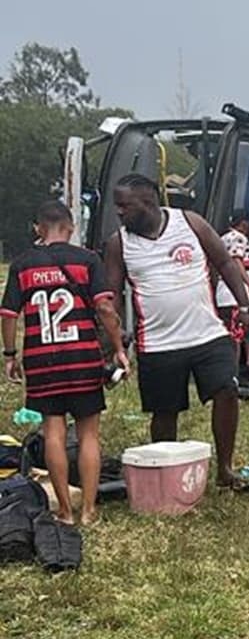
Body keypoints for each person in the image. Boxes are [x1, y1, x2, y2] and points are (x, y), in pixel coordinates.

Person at [103, 174, 249, 493]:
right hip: (158, 343)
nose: (118, 212)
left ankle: (225, 468)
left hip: (207, 333)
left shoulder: (190, 223)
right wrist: (112, 339)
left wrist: (244, 306)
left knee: (227, 391)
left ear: (147, 202)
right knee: (165, 412)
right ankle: (165, 471)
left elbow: (226, 263)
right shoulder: (119, 244)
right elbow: (113, 295)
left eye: (124, 206)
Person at [2, 201, 128, 525]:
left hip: (42, 362)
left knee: (53, 433)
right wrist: (118, 348)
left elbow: (8, 315)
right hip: (83, 357)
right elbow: (105, 309)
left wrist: (10, 355)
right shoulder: (87, 260)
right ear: (71, 228)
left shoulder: (22, 265)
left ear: (38, 229)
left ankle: (65, 511)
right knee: (89, 435)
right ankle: (89, 509)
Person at [214, 209, 249, 378]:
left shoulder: (223, 238)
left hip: (225, 293)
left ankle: (244, 366)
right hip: (234, 294)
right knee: (235, 334)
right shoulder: (238, 238)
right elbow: (236, 261)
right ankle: (231, 374)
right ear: (243, 223)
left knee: (239, 330)